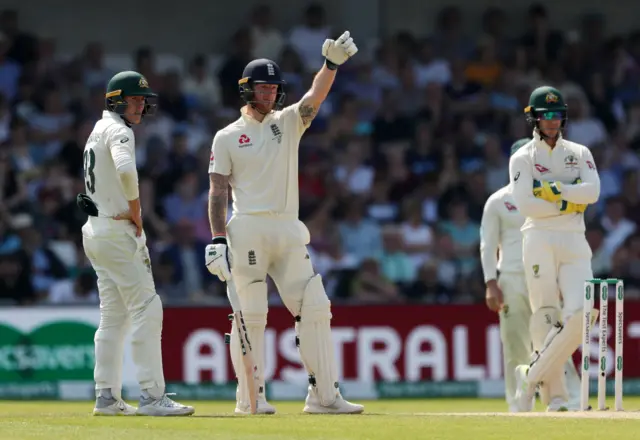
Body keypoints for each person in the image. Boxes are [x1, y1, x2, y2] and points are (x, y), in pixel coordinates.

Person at [204, 31, 364, 415]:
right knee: (251, 313)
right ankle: (250, 399)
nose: (269, 95)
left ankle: (324, 396)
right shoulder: (227, 137)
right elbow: (217, 192)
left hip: (288, 229)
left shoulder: (289, 123)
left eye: (274, 88)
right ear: (246, 91)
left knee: (315, 306)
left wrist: (330, 66)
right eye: (262, 88)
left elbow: (315, 98)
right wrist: (217, 239)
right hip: (247, 230)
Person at [79, 71, 194, 416]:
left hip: (96, 230)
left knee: (113, 316)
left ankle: (107, 397)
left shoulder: (97, 130)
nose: (140, 106)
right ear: (116, 101)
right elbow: (126, 170)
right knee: (147, 307)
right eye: (134, 100)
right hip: (116, 230)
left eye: (143, 100)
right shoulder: (118, 131)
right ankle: (152, 396)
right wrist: (136, 211)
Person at [509, 86, 600, 411]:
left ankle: (530, 376)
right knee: (547, 314)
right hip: (539, 238)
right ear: (533, 118)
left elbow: (593, 193)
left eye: (556, 114)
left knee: (583, 313)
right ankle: (556, 397)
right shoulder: (522, 158)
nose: (551, 121)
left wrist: (555, 190)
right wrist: (570, 202)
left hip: (575, 240)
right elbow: (527, 205)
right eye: (545, 115)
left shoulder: (580, 152)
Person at [481, 138, 582, 412]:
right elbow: (488, 245)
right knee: (515, 342)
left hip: (545, 276)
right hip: (511, 278)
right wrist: (491, 282)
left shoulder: (551, 197)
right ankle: (518, 402)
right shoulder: (498, 201)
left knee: (556, 339)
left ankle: (567, 399)